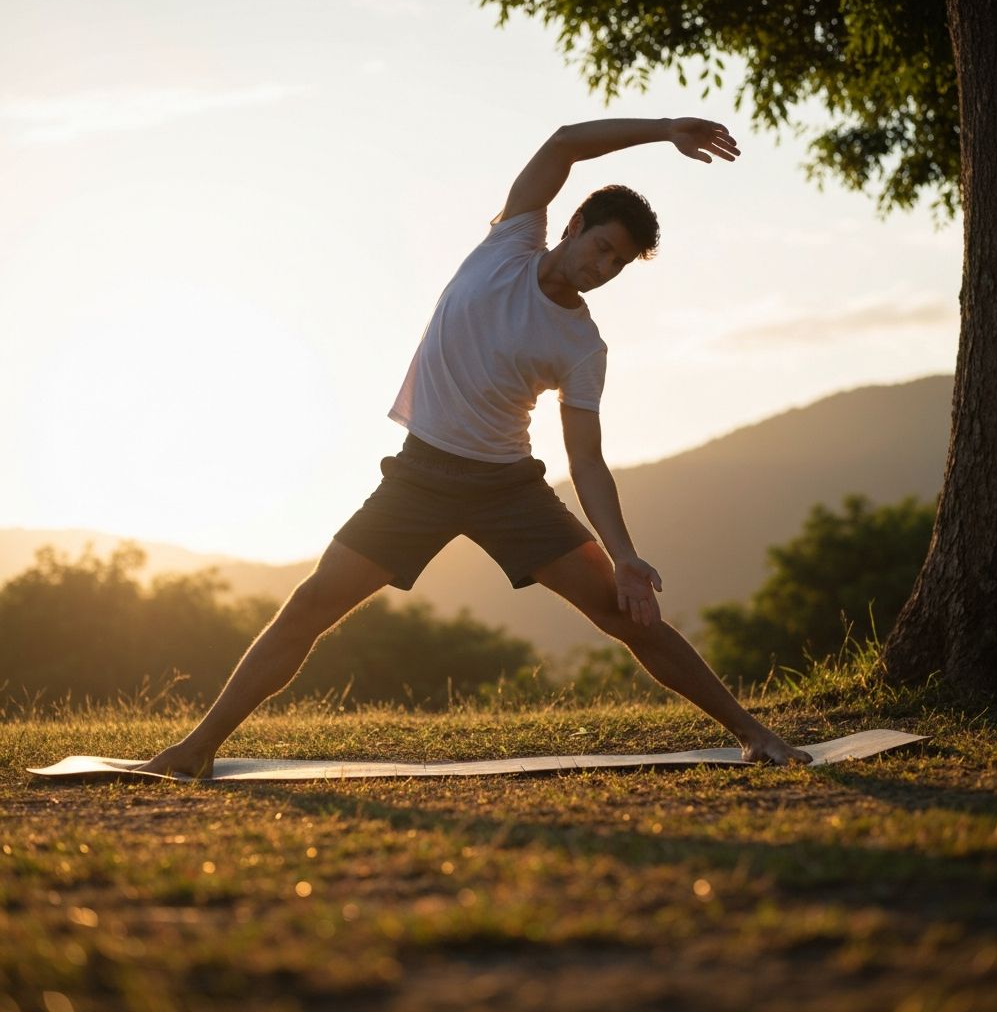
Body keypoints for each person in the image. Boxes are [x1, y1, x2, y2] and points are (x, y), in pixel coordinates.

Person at [142, 117, 811, 777]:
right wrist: (664, 129)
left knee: (623, 614)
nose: (603, 268)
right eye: (601, 247)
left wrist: (625, 554)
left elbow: (586, 461)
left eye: (618, 263)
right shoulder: (509, 242)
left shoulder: (583, 347)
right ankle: (196, 749)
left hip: (506, 488)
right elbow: (564, 144)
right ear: (574, 225)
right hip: (419, 477)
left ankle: (753, 734)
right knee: (311, 605)